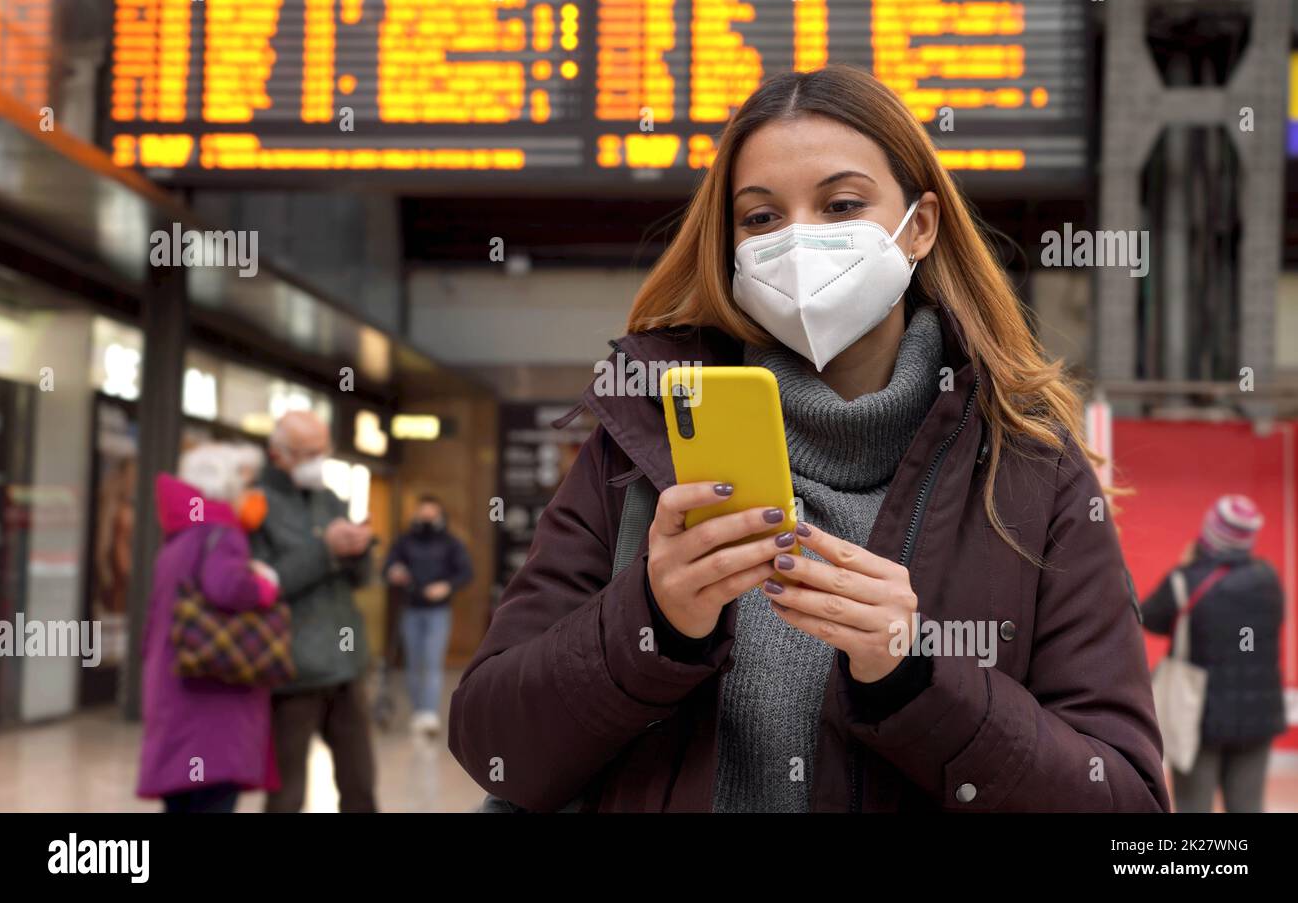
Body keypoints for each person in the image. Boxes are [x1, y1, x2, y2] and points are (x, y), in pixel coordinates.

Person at [449, 65, 1169, 812]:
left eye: (842, 204)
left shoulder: (1030, 472)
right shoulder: (642, 443)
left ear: (919, 226)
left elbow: (1124, 799)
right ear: (730, 246)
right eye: (761, 218)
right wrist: (651, 620)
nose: (799, 241)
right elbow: (493, 746)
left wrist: (917, 675)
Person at [137, 443, 281, 813]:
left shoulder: (182, 533)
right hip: (211, 695)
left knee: (183, 799)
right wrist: (265, 584)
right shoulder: (221, 533)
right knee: (212, 797)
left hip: (175, 684)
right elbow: (227, 587)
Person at [250, 410, 378, 813]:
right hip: (292, 669)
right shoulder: (255, 505)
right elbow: (261, 584)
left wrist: (360, 549)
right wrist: (325, 551)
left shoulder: (330, 498)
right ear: (278, 455)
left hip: (346, 665)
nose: (315, 461)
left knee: (360, 785)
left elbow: (360, 580)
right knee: (287, 793)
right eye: (305, 453)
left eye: (322, 451)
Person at [1142, 495, 1286, 812]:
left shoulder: (1184, 581)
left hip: (1197, 717)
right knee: (1247, 806)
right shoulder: (1269, 579)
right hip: (1257, 718)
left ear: (1210, 533)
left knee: (1194, 805)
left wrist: (1186, 566)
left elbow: (1149, 618)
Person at [383, 495, 473, 735]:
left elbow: (465, 572)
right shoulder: (404, 541)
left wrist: (446, 586)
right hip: (410, 608)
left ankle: (429, 713)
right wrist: (395, 571)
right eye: (423, 512)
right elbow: (388, 566)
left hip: (437, 611)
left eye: (432, 513)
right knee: (414, 662)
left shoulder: (451, 543)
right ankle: (418, 710)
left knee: (432, 661)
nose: (427, 518)